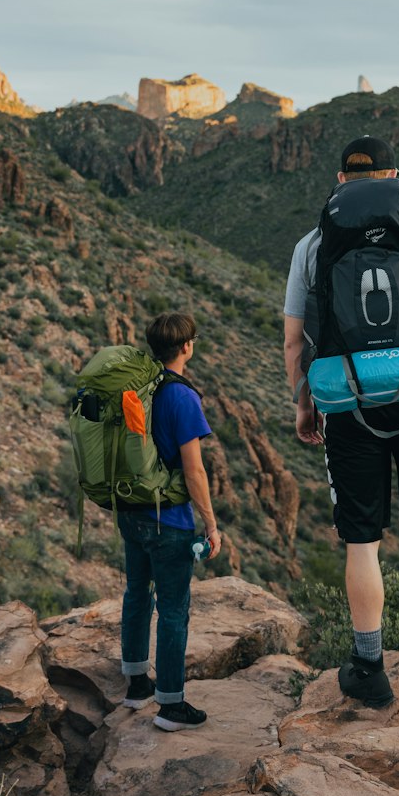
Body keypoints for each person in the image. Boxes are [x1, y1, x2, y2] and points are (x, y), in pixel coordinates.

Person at [283, 135, 399, 709]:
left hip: (348, 404)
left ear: (341, 181)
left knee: (361, 538)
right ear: (394, 176)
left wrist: (303, 402)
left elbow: (295, 340)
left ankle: (369, 664)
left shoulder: (312, 246)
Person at [120, 311, 222, 731]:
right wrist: (211, 525)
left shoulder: (140, 389)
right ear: (186, 347)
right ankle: (171, 706)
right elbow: (194, 470)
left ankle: (135, 684)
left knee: (136, 594)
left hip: (133, 511)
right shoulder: (183, 397)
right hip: (170, 521)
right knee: (174, 610)